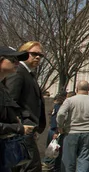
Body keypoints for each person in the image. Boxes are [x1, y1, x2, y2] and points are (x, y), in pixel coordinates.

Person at [4, 41, 47, 172]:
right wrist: (21, 126)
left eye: (40, 55)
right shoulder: (18, 73)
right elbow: (10, 101)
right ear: (24, 53)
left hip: (27, 129)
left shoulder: (28, 74)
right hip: (21, 128)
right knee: (31, 166)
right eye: (34, 54)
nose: (38, 57)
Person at [57, 80, 89, 172]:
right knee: (85, 160)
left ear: (76, 89)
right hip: (88, 132)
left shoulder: (69, 100)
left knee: (69, 161)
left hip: (71, 132)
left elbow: (61, 114)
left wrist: (60, 126)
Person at [0, 46, 36, 172]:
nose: (17, 63)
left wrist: (17, 122)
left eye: (18, 60)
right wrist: (19, 128)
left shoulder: (3, 87)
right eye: (13, 59)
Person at [42, 92, 67, 171]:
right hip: (57, 130)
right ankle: (48, 164)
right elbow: (59, 120)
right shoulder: (62, 108)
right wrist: (57, 131)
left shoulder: (55, 106)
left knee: (51, 148)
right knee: (55, 150)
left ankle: (48, 163)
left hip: (51, 129)